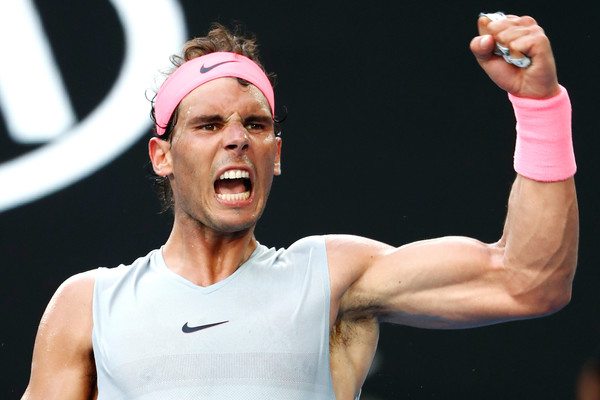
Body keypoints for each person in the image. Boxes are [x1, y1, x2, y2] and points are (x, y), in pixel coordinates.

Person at [22, 13, 578, 400]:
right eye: (210, 125)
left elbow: (530, 281)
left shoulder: (333, 278)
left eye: (256, 125)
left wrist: (540, 107)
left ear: (276, 154)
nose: (237, 139)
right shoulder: (87, 305)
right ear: (162, 156)